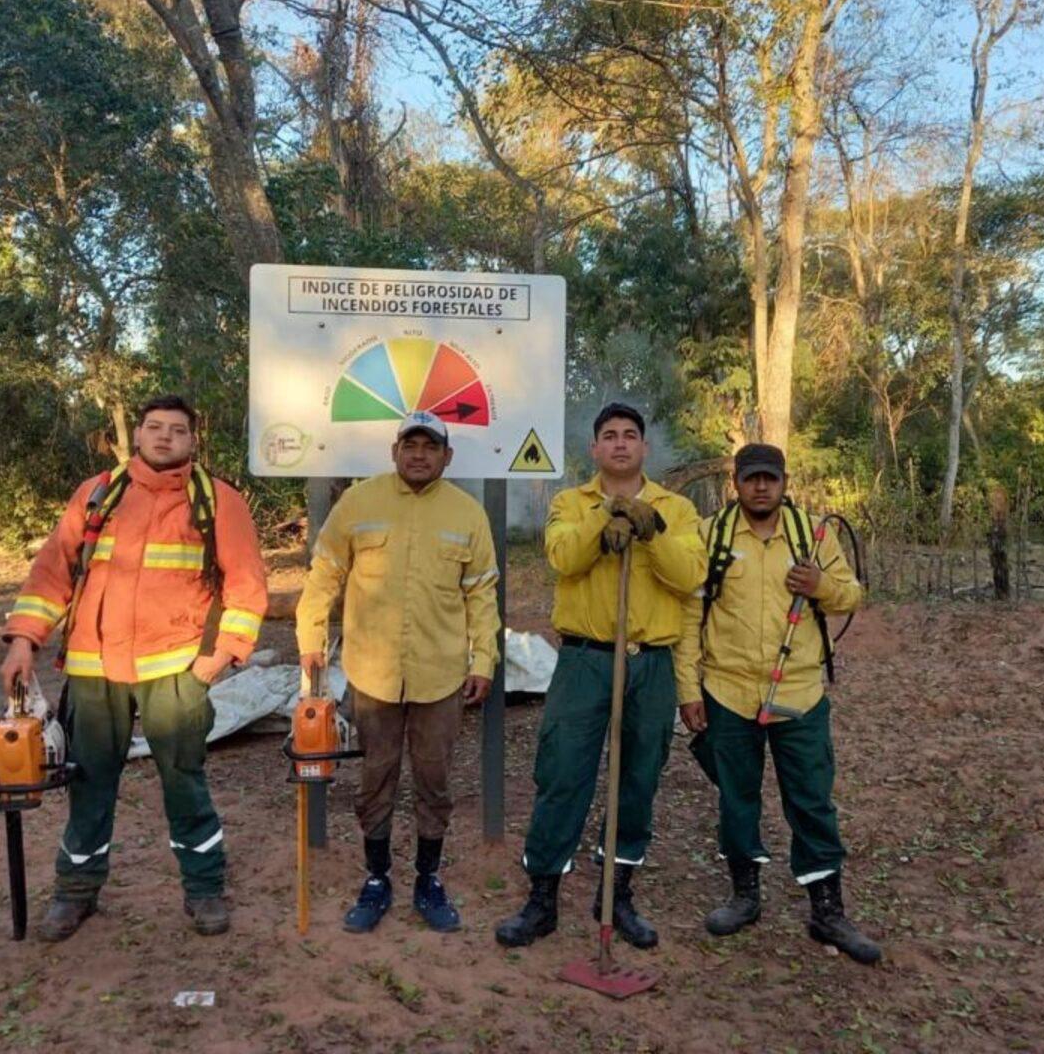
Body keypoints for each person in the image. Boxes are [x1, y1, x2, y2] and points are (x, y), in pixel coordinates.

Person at [0, 395, 268, 941]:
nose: (164, 437)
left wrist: (221, 655)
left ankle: (204, 890)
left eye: (176, 430)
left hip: (175, 671)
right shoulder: (98, 493)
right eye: (153, 427)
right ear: (137, 435)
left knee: (185, 785)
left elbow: (246, 584)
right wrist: (24, 640)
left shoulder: (219, 502)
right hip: (95, 669)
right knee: (90, 785)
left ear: (194, 441)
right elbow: (53, 571)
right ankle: (75, 894)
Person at [495, 402, 706, 950]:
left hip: (651, 663)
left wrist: (650, 530)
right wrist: (605, 517)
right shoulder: (569, 502)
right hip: (586, 660)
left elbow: (689, 577)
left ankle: (618, 893)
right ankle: (542, 897)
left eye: (629, 435)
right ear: (594, 449)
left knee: (638, 778)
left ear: (644, 448)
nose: (619, 444)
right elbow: (563, 559)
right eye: (608, 436)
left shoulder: (678, 509)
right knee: (564, 771)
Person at [295, 410, 501, 933]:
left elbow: (481, 595)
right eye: (410, 445)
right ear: (394, 451)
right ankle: (377, 878)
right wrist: (310, 640)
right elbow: (324, 576)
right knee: (375, 778)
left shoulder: (467, 513)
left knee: (434, 781)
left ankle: (429, 881)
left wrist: (483, 660)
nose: (419, 454)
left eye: (430, 447)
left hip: (441, 677)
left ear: (447, 457)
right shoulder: (359, 503)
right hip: (373, 674)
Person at [675, 443, 880, 963]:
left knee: (811, 800)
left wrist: (821, 585)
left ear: (784, 481)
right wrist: (688, 690)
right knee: (736, 798)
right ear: (737, 484)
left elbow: (852, 595)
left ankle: (827, 910)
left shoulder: (811, 534)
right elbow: (687, 618)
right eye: (751, 479)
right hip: (728, 692)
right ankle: (744, 896)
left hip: (799, 693)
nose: (761, 487)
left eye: (770, 478)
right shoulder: (711, 534)